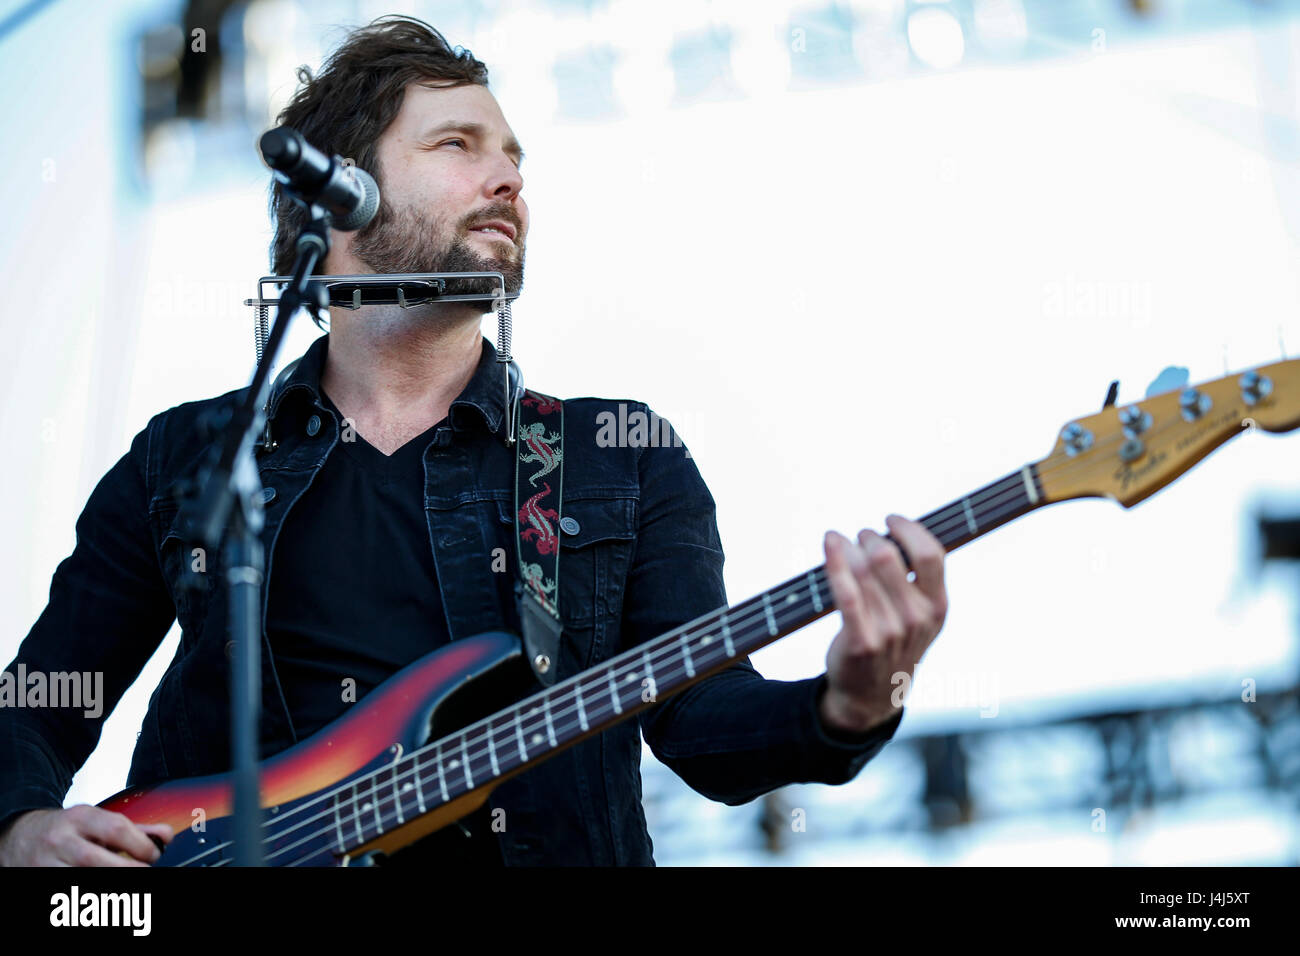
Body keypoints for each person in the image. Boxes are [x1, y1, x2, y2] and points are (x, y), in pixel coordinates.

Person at [0, 15, 948, 867]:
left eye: (514, 158)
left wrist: (850, 703)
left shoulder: (618, 456)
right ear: (342, 193)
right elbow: (41, 705)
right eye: (458, 144)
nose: (509, 179)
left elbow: (700, 724)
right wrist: (22, 824)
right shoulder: (186, 461)